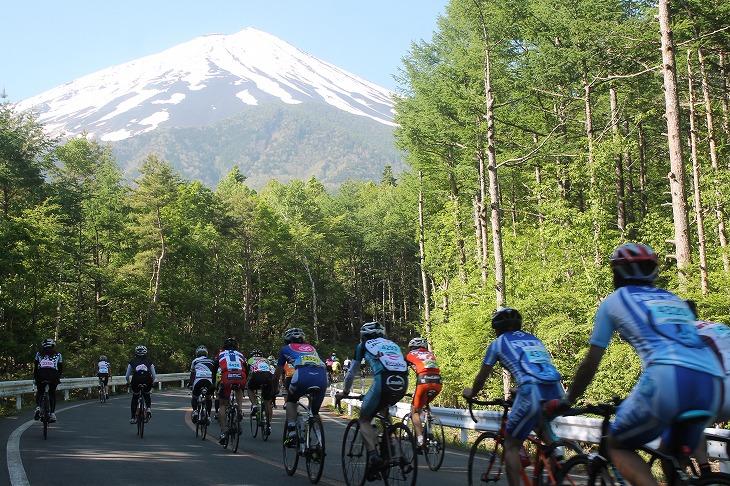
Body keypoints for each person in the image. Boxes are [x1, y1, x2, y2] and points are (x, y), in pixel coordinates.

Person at [545, 243, 723, 486]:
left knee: (616, 445)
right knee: (671, 458)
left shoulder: (613, 301)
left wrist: (569, 399)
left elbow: (590, 363)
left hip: (667, 379)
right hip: (712, 382)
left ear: (617, 273)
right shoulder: (674, 299)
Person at [463, 308, 564, 486]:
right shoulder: (534, 339)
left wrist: (472, 392)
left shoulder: (498, 343)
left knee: (511, 445)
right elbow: (536, 370)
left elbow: (481, 377)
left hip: (531, 393)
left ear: (497, 329)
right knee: (539, 422)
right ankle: (558, 457)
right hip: (556, 390)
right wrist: (518, 391)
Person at [336, 321, 409, 474]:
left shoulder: (363, 346)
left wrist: (346, 391)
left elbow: (351, 372)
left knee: (363, 420)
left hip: (383, 381)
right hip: (403, 381)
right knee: (384, 409)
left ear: (364, 336)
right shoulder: (393, 344)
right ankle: (390, 445)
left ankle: (374, 455)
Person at [685, 300, 730, 475]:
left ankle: (705, 471)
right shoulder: (719, 326)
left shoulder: (682, 333)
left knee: (687, 424)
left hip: (719, 391)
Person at [271, 328, 328, 447]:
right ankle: (319, 442)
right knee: (314, 412)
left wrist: (274, 388)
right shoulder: (311, 347)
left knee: (291, 400)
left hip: (302, 374)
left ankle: (292, 432)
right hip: (322, 376)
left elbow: (277, 374)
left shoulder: (285, 349)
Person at [405, 336, 442, 449]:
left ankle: (420, 440)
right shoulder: (430, 355)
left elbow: (403, 371)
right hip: (438, 381)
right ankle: (429, 427)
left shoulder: (410, 355)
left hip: (423, 380)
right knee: (425, 404)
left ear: (412, 347)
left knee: (415, 411)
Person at [214, 337, 247, 445]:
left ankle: (223, 433)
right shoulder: (240, 354)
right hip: (241, 376)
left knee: (223, 404)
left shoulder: (220, 353)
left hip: (227, 376)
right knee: (239, 389)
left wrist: (212, 382)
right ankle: (240, 410)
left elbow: (214, 367)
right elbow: (246, 367)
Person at [34, 338, 63, 422]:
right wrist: (58, 377)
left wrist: (36, 377)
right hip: (53, 374)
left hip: (41, 374)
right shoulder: (58, 354)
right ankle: (53, 414)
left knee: (40, 391)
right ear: (53, 346)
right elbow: (60, 368)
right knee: (52, 393)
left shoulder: (38, 354)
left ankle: (38, 407)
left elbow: (36, 367)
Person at [125, 345, 156, 424]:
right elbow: (154, 375)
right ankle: (148, 408)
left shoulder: (132, 361)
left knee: (135, 397)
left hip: (136, 380)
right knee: (146, 394)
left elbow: (127, 376)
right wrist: (152, 382)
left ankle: (132, 417)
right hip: (147, 380)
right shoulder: (149, 361)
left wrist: (128, 383)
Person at [246, 348, 274, 434]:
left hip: (257, 375)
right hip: (269, 376)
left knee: (250, 388)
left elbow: (247, 373)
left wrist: (246, 382)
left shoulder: (250, 360)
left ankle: (254, 405)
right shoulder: (266, 360)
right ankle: (268, 424)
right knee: (268, 401)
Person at [189, 345, 215, 425]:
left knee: (195, 396)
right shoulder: (211, 361)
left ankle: (195, 411)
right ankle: (208, 416)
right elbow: (214, 373)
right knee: (208, 397)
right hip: (209, 381)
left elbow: (192, 373)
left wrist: (190, 383)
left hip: (198, 380)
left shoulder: (195, 361)